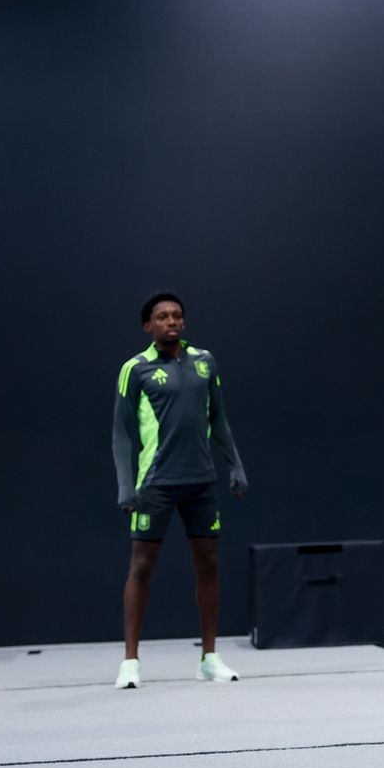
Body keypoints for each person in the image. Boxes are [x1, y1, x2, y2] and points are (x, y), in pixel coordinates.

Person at [111, 292, 247, 689]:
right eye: (162, 317)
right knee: (141, 568)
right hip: (155, 483)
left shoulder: (205, 362)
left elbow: (219, 419)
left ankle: (209, 657)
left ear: (183, 323)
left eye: (176, 316)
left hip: (201, 481)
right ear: (148, 326)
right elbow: (120, 433)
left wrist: (235, 464)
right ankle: (130, 662)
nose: (171, 321)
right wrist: (124, 484)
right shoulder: (134, 369)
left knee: (208, 565)